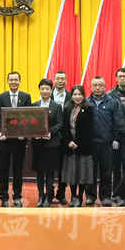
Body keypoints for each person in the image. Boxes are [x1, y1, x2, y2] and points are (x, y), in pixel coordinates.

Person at [0, 71, 32, 207]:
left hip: (20, 140)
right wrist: (2, 131)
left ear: (20, 81)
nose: (13, 82)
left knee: (18, 169)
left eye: (16, 80)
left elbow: (28, 116)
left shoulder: (26, 97)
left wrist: (24, 132)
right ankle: (4, 196)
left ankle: (17, 196)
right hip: (5, 139)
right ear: (7, 81)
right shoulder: (1, 97)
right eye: (11, 80)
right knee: (4, 168)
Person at [85, 77, 120, 206]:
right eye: (95, 85)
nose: (97, 88)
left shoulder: (113, 103)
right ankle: (90, 196)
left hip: (107, 143)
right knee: (90, 171)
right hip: (90, 143)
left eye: (100, 85)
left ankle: (105, 197)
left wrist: (116, 138)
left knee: (106, 171)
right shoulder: (86, 102)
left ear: (105, 87)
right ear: (91, 87)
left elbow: (117, 122)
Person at [31, 79, 63, 207]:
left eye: (47, 89)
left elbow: (60, 123)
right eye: (42, 88)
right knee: (39, 171)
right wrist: (34, 133)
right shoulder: (33, 105)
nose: (44, 91)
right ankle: (41, 196)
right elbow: (30, 123)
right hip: (37, 144)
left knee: (50, 171)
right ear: (39, 90)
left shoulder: (57, 106)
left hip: (52, 144)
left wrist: (50, 132)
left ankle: (48, 196)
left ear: (51, 90)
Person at [61, 85, 94, 207]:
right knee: (72, 173)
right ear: (71, 96)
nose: (77, 97)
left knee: (82, 173)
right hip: (69, 146)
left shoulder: (89, 108)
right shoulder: (67, 108)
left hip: (83, 146)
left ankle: (80, 197)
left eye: (79, 94)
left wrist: (78, 142)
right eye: (75, 94)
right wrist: (69, 141)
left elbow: (88, 128)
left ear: (84, 95)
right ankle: (73, 196)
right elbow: (64, 127)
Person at [107, 67, 125, 190]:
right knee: (115, 166)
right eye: (120, 76)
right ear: (116, 78)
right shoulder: (109, 95)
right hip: (114, 136)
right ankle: (116, 191)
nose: (122, 78)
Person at [50, 70, 71, 204]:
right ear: (54, 80)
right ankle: (49, 192)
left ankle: (61, 192)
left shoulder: (71, 96)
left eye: (62, 79)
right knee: (50, 165)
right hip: (51, 136)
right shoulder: (48, 94)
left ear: (66, 80)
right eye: (58, 78)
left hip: (66, 136)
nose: (60, 81)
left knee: (64, 166)